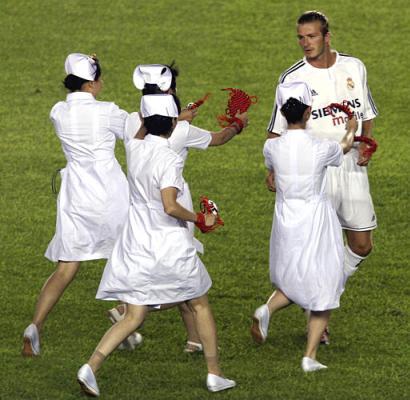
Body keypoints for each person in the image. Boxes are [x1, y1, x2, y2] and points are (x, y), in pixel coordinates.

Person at [77, 94, 237, 396]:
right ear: (173, 122)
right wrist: (201, 218)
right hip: (166, 241)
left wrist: (169, 117)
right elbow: (170, 206)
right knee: (199, 303)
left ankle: (91, 366)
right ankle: (214, 374)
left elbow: (143, 128)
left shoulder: (135, 145)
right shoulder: (169, 159)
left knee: (134, 315)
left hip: (136, 239)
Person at [107, 64, 248, 353]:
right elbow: (219, 138)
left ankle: (194, 339)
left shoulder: (131, 123)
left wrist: (175, 116)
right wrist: (237, 125)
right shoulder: (181, 131)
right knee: (185, 278)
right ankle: (128, 312)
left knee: (164, 273)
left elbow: (147, 123)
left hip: (138, 212)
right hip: (173, 209)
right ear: (169, 92)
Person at [265, 10, 378, 344]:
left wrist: (366, 143)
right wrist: (273, 170)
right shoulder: (292, 78)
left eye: (311, 36)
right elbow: (276, 130)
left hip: (352, 169)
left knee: (361, 245)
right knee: (318, 252)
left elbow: (366, 112)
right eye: (301, 37)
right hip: (316, 174)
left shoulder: (354, 67)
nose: (305, 43)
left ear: (327, 37)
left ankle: (308, 298)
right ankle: (318, 313)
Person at [22, 53, 130, 356]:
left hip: (75, 195)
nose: (102, 83)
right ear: (91, 84)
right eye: (99, 79)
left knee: (66, 266)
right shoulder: (107, 111)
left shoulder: (59, 111)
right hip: (110, 193)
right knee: (126, 254)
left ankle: (35, 326)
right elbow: (139, 130)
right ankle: (126, 316)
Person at [251, 81, 358, 371]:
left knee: (294, 275)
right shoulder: (321, 147)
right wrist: (351, 128)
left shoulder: (271, 146)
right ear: (308, 112)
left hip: (285, 218)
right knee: (325, 282)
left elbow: (272, 172)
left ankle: (267, 309)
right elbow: (345, 147)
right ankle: (309, 356)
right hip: (316, 219)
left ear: (282, 112)